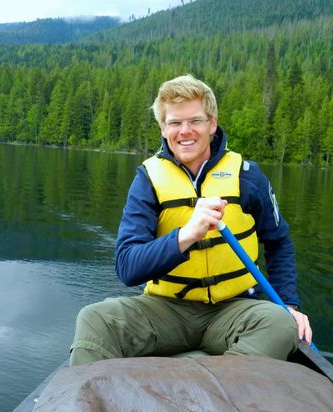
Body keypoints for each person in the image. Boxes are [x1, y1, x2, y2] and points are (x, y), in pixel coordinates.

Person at [70, 74, 312, 366]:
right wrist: (186, 235)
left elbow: (278, 241)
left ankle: (217, 388)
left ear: (212, 124)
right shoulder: (147, 180)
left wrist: (289, 304)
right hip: (165, 309)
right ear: (163, 128)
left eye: (195, 121)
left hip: (234, 309)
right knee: (95, 320)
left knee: (281, 323)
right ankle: (90, 407)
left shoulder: (247, 176)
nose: (185, 131)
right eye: (174, 123)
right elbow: (127, 268)